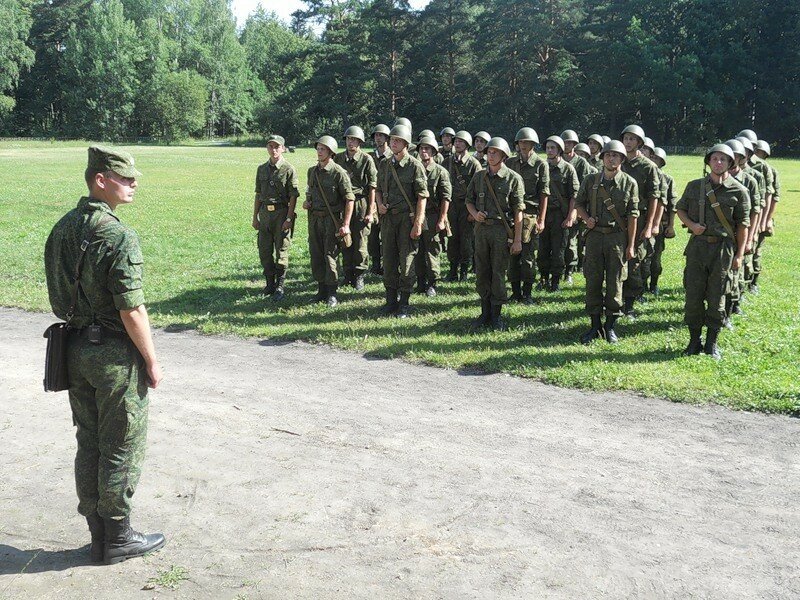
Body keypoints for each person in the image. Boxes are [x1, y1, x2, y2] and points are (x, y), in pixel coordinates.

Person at [44, 145, 166, 565]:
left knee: (89, 441)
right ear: (100, 180)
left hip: (74, 350)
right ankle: (117, 536)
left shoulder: (63, 228)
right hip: (113, 356)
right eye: (125, 177)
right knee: (120, 444)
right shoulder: (117, 234)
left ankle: (98, 534)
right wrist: (150, 359)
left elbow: (58, 294)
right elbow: (131, 308)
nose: (133, 184)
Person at [676, 144, 750, 359]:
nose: (718, 163)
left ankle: (711, 343)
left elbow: (743, 225)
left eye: (723, 160)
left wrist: (739, 255)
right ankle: (693, 342)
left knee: (718, 296)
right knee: (693, 295)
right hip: (697, 247)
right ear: (708, 162)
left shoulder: (739, 191)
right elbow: (680, 209)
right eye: (715, 159)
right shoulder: (694, 186)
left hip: (723, 249)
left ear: (730, 163)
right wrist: (691, 225)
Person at [574, 140, 639, 343]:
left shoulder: (630, 183)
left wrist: (630, 245)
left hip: (617, 238)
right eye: (608, 155)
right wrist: (586, 218)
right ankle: (594, 326)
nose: (612, 159)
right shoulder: (590, 180)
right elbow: (578, 204)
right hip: (594, 237)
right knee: (592, 280)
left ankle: (610, 326)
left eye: (616, 156)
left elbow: (633, 215)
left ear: (621, 159)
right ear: (602, 158)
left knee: (615, 281)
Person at [466, 137, 524, 330]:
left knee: (498, 271)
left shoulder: (514, 179)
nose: (490, 156)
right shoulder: (479, 177)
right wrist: (475, 215)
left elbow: (518, 211)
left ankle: (497, 314)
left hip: (501, 231)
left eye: (495, 153)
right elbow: (469, 200)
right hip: (482, 230)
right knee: (482, 270)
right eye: (489, 152)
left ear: (503, 156)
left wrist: (517, 240)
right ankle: (485, 312)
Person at [375, 124, 429, 317]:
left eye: (397, 140)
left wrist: (418, 223)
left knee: (407, 261)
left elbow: (422, 197)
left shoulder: (415, 166)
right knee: (388, 259)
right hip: (389, 219)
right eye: (392, 140)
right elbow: (378, 189)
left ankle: (404, 302)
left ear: (406, 144)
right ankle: (390, 300)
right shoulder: (384, 164)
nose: (393, 143)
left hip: (407, 219)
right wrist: (379, 205)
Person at [304, 135, 355, 307]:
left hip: (331, 220)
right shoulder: (312, 171)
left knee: (330, 255)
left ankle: (332, 293)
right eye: (318, 148)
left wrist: (346, 224)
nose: (319, 152)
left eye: (322, 149)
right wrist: (307, 202)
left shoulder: (338, 173)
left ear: (331, 152)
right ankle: (321, 290)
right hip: (315, 220)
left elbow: (349, 199)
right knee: (316, 254)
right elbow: (309, 191)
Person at [619, 124, 660, 316]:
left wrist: (650, 224)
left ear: (639, 142)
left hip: (640, 217)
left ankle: (629, 304)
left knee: (634, 260)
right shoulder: (616, 160)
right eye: (626, 138)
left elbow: (655, 197)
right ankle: (615, 300)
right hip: (617, 219)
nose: (628, 142)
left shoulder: (648, 167)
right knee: (616, 259)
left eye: (632, 139)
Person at [252, 134, 299, 301]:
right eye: (270, 146)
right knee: (264, 250)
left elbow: (293, 196)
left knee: (282, 250)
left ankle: (280, 284)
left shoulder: (288, 169)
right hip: (265, 214)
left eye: (277, 146)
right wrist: (255, 217)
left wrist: (289, 218)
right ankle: (269, 283)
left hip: (281, 213)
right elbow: (258, 194)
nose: (273, 150)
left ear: (283, 148)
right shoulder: (261, 169)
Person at [505, 127, 549, 304]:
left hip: (530, 214)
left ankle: (527, 292)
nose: (524, 145)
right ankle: (515, 291)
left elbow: (544, 194)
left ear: (533, 144)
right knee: (512, 254)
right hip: (511, 214)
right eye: (521, 142)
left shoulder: (540, 164)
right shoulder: (510, 163)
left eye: (527, 142)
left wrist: (541, 219)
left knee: (528, 256)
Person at [335, 126, 378, 291]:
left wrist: (370, 211)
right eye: (348, 139)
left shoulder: (367, 159)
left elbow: (373, 187)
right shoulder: (338, 159)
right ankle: (348, 273)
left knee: (360, 239)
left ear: (360, 142)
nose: (350, 142)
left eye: (354, 139)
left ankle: (359, 274)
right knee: (344, 237)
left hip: (360, 202)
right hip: (343, 203)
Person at [538, 135, 579, 292]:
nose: (549, 150)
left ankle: (555, 281)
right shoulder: (542, 167)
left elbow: (575, 195)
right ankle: (543, 278)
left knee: (558, 250)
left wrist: (570, 216)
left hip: (559, 216)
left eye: (553, 148)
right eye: (548, 147)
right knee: (542, 250)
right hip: (544, 214)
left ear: (559, 150)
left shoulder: (568, 169)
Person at [414, 135, 452, 296]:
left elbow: (446, 198)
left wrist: (442, 219)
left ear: (434, 152)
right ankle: (420, 282)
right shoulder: (414, 169)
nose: (424, 151)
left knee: (432, 250)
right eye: (422, 148)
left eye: (427, 148)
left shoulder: (440, 172)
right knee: (417, 250)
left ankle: (433, 283)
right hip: (416, 215)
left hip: (432, 215)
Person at [444, 130, 483, 282]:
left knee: (466, 239)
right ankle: (453, 270)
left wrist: (474, 211)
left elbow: (480, 189)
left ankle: (464, 272)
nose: (457, 143)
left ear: (467, 144)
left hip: (467, 206)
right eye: (456, 141)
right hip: (451, 205)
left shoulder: (474, 164)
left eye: (461, 141)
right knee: (452, 238)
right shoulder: (447, 162)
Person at [561, 130, 597, 285]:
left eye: (570, 142)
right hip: (558, 207)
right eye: (565, 142)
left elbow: (582, 190)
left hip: (574, 207)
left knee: (571, 241)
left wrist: (577, 212)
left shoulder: (582, 163)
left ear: (574, 145)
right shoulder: (556, 159)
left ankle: (569, 271)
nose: (567, 145)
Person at [649, 147, 677, 296]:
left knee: (655, 257)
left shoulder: (667, 179)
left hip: (659, 224)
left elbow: (672, 205)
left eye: (656, 159)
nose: (653, 161)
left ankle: (653, 284)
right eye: (651, 158)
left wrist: (671, 225)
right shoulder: (643, 175)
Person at [368, 124, 392, 276]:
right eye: (376, 135)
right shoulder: (370, 156)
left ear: (387, 138)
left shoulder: (392, 156)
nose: (378, 138)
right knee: (372, 235)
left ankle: (387, 263)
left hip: (387, 200)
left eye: (381, 135)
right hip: (372, 199)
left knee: (387, 234)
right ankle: (375, 264)